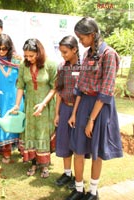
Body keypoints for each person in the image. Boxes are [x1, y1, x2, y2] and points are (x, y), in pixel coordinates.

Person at [66, 17, 123, 200]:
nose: (80, 42)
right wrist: (74, 113)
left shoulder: (109, 54)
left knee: (96, 151)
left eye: (82, 38)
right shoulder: (86, 54)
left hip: (101, 108)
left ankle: (93, 191)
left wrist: (91, 120)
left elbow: (106, 91)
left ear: (92, 35)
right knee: (78, 149)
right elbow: (80, 86)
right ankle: (78, 189)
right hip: (84, 104)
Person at [12, 38, 56, 178]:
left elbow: (55, 87)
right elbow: (20, 86)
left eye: (31, 55)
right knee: (30, 133)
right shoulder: (23, 66)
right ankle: (33, 163)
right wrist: (17, 105)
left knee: (42, 133)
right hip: (30, 105)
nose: (28, 58)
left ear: (39, 52)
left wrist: (43, 103)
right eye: (26, 56)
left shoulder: (50, 64)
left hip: (46, 105)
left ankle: (44, 165)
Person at [0, 34, 23, 164]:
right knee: (3, 126)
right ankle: (6, 153)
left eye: (5, 49)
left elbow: (22, 82)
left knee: (19, 124)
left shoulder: (17, 61)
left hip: (17, 99)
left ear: (10, 48)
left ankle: (24, 153)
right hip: (1, 100)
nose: (2, 51)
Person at [54, 35, 81, 189]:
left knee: (77, 144)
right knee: (64, 141)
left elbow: (82, 93)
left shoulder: (83, 67)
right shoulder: (61, 67)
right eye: (61, 52)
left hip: (79, 111)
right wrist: (57, 113)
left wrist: (75, 114)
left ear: (74, 49)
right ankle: (67, 173)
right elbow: (59, 91)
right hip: (64, 108)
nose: (63, 55)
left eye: (65, 52)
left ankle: (78, 177)